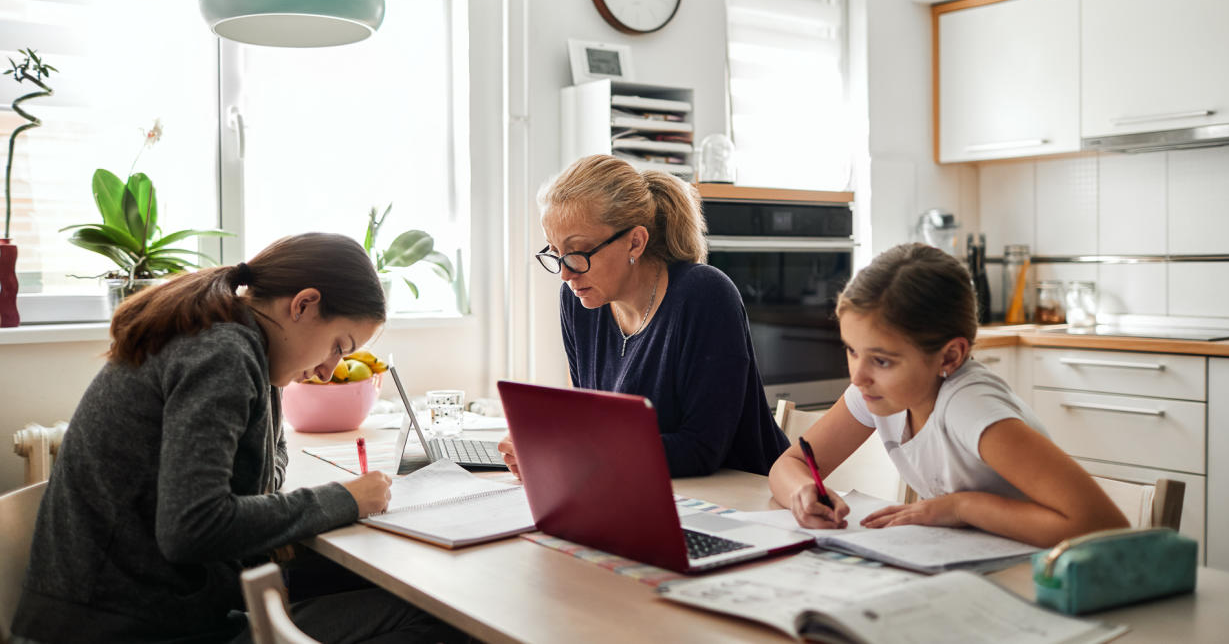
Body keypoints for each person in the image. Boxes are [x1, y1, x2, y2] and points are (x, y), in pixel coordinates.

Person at [12, 233, 462, 644]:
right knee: (437, 619)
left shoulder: (240, 342)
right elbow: (193, 528)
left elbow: (271, 459)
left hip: (131, 609)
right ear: (303, 304)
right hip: (129, 630)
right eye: (339, 346)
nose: (330, 369)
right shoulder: (222, 354)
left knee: (363, 581)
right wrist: (345, 499)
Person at [768, 242, 1128, 547]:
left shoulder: (970, 408)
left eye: (881, 360)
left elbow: (1104, 527)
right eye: (852, 350)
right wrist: (802, 492)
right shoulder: (878, 391)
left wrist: (960, 507)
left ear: (950, 356)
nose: (858, 376)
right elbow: (790, 464)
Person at [498, 155, 788, 479]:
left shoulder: (706, 295)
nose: (565, 273)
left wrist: (573, 452)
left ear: (635, 242)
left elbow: (702, 449)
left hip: (748, 501)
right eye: (555, 252)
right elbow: (594, 425)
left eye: (577, 253)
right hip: (644, 491)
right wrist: (545, 445)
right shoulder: (578, 300)